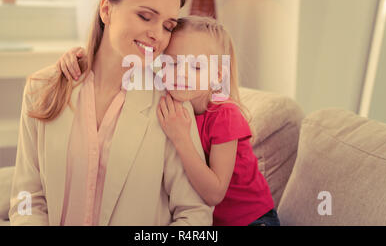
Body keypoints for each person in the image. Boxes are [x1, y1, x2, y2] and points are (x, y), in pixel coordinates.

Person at [8, 0, 213, 226]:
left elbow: (195, 214)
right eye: (145, 16)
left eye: (168, 26)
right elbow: (26, 196)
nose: (157, 35)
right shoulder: (42, 87)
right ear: (107, 9)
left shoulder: (171, 105)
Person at [59, 16, 280, 226]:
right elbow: (123, 64)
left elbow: (215, 193)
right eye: (172, 63)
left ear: (218, 76)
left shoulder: (225, 115)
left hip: (253, 220)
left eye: (196, 67)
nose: (181, 74)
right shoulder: (165, 98)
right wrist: (80, 57)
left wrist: (181, 138)